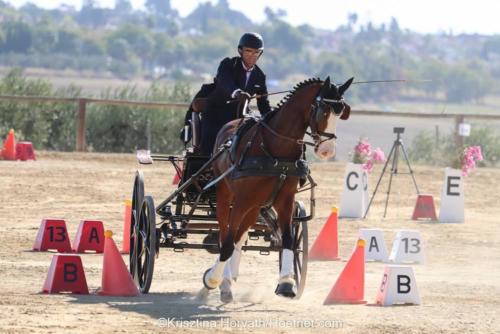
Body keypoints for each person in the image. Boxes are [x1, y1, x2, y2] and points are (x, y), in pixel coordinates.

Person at [200, 32, 272, 155]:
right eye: (248, 51)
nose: (252, 56)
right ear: (240, 51)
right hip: (216, 113)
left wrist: (272, 119)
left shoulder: (260, 76)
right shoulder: (228, 64)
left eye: (256, 52)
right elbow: (225, 82)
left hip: (239, 116)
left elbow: (263, 104)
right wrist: (238, 93)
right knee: (209, 137)